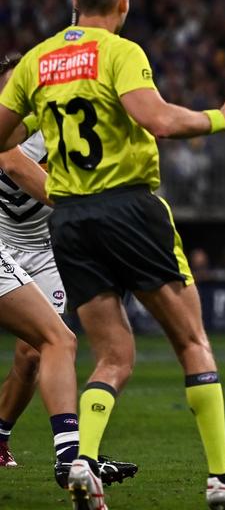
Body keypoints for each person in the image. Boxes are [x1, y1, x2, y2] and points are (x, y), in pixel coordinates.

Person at [0, 0, 225, 509]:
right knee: (193, 342)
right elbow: (157, 119)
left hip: (70, 223)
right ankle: (223, 479)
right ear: (123, 4)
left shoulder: (36, 61)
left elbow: (3, 137)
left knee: (114, 356)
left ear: (75, 0)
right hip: (128, 208)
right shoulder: (119, 52)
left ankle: (82, 461)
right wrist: (222, 118)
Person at [0, 54, 137, 488]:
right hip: (4, 241)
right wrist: (84, 208)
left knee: (37, 350)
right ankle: (67, 454)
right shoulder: (9, 129)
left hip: (46, 249)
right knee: (52, 341)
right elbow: (15, 165)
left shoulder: (59, 122)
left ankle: (11, 439)